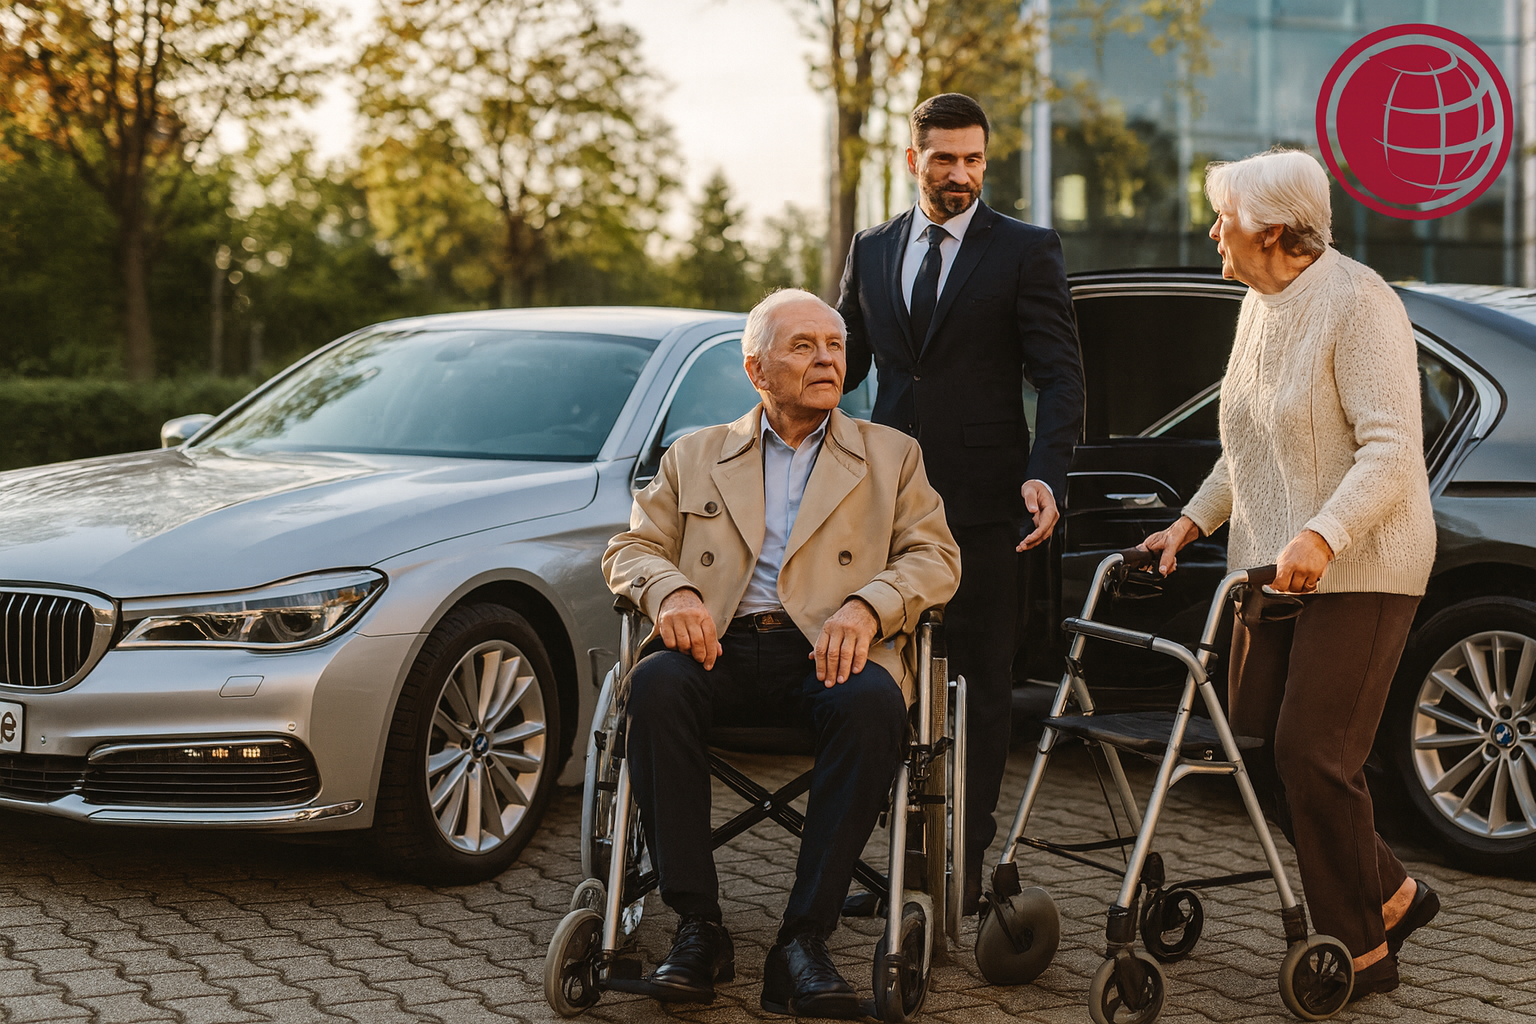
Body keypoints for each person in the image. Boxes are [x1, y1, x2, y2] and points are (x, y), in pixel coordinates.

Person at [603, 289, 961, 1017]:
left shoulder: (892, 455)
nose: (827, 359)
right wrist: (671, 592)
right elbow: (631, 548)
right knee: (654, 687)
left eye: (835, 345)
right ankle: (698, 928)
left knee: (873, 704)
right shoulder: (695, 454)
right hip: (718, 645)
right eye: (803, 346)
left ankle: (803, 942)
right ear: (756, 369)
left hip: (831, 651)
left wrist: (870, 605)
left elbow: (936, 557)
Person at [1140, 149, 1440, 1001]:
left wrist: (1323, 534)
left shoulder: (1360, 302)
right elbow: (1247, 449)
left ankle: (1361, 953)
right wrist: (1192, 521)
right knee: (1255, 747)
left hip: (1362, 563)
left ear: (1271, 230)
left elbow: (1391, 450)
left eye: (1224, 217)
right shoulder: (1258, 306)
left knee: (1314, 754)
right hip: (1270, 570)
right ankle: (1392, 892)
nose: (1213, 232)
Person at [836, 92, 1085, 908]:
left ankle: (963, 869)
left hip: (985, 511)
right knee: (885, 682)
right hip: (885, 508)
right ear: (914, 160)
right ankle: (899, 863)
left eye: (973, 159)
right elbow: (843, 366)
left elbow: (1060, 377)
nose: (961, 174)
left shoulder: (1025, 249)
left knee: (979, 690)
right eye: (944, 159)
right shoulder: (872, 248)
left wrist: (1046, 472)